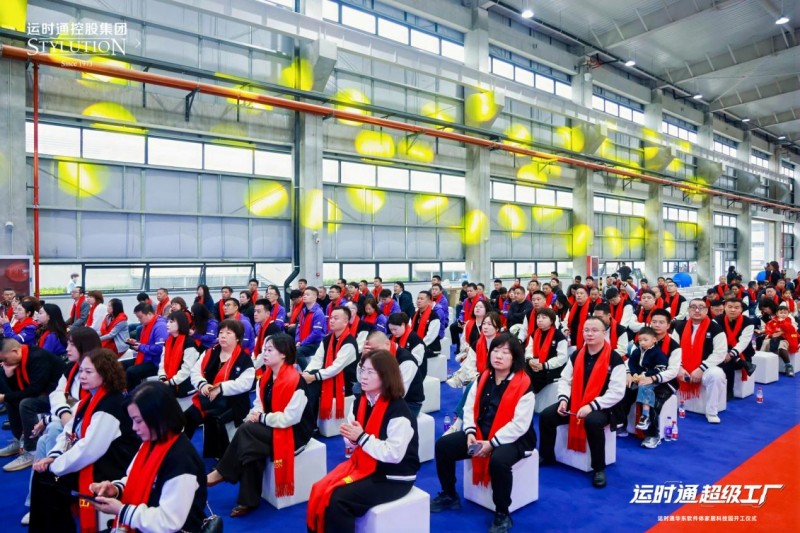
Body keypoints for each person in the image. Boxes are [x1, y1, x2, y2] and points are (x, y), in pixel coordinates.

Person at [431, 333, 534, 533]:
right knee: (443, 446)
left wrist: (492, 443)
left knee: (499, 461)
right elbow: (469, 407)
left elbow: (519, 425)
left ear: (515, 357)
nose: (499, 356)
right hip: (480, 432)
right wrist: (470, 432)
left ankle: (502, 513)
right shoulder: (484, 377)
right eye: (495, 350)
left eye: (505, 352)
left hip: (514, 438)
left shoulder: (524, 384)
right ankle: (449, 494)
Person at [307, 350, 419, 533]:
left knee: (338, 499)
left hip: (393, 476)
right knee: (320, 488)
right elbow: (353, 439)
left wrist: (361, 438)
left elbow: (394, 454)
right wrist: (352, 440)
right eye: (362, 370)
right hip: (366, 464)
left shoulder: (399, 411)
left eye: (370, 372)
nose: (363, 376)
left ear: (385, 376)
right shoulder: (360, 402)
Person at [29, 349, 139, 533]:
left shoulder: (110, 405)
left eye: (88, 372)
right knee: (44, 478)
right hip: (96, 459)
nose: (82, 376)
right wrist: (54, 456)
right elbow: (69, 431)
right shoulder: (89, 399)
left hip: (111, 466)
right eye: (81, 371)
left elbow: (88, 450)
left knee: (48, 480)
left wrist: (54, 466)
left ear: (105, 373)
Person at [207, 333, 315, 517]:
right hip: (272, 426)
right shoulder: (265, 378)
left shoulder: (296, 381)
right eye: (264, 349)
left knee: (247, 431)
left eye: (270, 350)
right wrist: (254, 415)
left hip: (294, 433)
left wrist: (261, 418)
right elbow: (258, 404)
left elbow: (290, 418)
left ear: (283, 354)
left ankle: (222, 472)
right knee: (251, 447)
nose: (264, 353)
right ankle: (248, 501)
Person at [90, 381, 208, 532]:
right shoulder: (152, 443)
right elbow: (135, 478)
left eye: (138, 421)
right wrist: (116, 489)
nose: (134, 427)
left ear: (159, 417)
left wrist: (122, 510)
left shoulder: (181, 460)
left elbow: (169, 522)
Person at [19, 327, 101, 523]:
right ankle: (39, 501)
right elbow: (57, 395)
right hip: (71, 422)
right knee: (46, 437)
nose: (67, 348)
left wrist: (53, 418)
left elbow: (85, 408)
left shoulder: (99, 371)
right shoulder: (72, 368)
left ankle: (49, 496)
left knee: (52, 431)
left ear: (84, 346)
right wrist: (62, 413)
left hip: (90, 430)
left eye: (72, 344)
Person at [539, 316, 626, 488]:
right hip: (577, 400)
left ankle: (599, 468)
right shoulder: (577, 354)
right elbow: (565, 379)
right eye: (586, 330)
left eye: (594, 330)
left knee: (593, 421)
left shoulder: (614, 359)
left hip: (604, 406)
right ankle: (547, 455)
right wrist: (563, 399)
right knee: (547, 415)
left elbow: (617, 392)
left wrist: (592, 406)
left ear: (604, 333)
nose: (589, 334)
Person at [184, 319, 255, 458]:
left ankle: (222, 457)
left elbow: (245, 384)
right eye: (221, 332)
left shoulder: (244, 359)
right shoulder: (210, 352)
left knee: (214, 418)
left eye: (228, 333)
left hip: (232, 402)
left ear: (238, 338)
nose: (223, 336)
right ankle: (180, 451)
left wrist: (221, 388)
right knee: (188, 417)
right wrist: (203, 384)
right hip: (208, 398)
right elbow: (195, 372)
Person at [0, 338, 63, 470]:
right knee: (11, 401)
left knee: (26, 404)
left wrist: (5, 396)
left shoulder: (38, 357)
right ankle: (19, 440)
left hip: (59, 396)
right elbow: (17, 390)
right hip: (43, 393)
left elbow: (34, 390)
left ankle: (32, 450)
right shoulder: (19, 359)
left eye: (5, 359)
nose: (4, 362)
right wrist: (9, 375)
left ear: (15, 351)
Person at [673, 299, 727, 423]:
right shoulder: (680, 327)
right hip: (682, 368)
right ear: (688, 310)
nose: (697, 310)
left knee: (717, 375)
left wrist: (701, 369)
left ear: (707, 310)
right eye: (693, 307)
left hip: (705, 369)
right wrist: (679, 367)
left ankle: (711, 412)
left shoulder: (715, 328)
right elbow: (673, 350)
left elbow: (720, 353)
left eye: (701, 307)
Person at [302, 307, 358, 424]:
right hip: (327, 376)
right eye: (331, 318)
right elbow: (317, 360)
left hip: (343, 382)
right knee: (305, 382)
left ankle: (308, 425)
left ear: (346, 321)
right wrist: (306, 373)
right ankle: (307, 423)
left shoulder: (350, 343)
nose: (331, 321)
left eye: (336, 318)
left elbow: (335, 368)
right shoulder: (327, 339)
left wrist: (313, 377)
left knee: (312, 386)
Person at [363, 331, 425, 416]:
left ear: (387, 344)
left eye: (375, 349)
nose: (373, 353)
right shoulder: (377, 357)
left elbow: (399, 393)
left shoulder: (407, 361)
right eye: (370, 350)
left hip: (408, 402)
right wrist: (364, 358)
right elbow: (360, 378)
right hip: (383, 391)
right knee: (358, 388)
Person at [715, 298, 758, 401]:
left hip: (743, 353)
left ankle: (729, 391)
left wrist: (731, 354)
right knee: (723, 360)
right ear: (725, 308)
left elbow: (744, 342)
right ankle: (743, 364)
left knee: (727, 362)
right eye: (730, 307)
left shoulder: (748, 322)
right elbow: (716, 339)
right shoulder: (717, 320)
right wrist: (725, 352)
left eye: (736, 307)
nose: (733, 310)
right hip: (722, 351)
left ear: (741, 309)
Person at [625, 328, 669, 431]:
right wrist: (634, 373)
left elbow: (662, 368)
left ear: (654, 340)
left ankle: (645, 416)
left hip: (653, 379)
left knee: (644, 387)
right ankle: (621, 420)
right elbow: (631, 363)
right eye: (640, 340)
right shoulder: (637, 351)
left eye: (645, 340)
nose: (642, 343)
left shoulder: (658, 353)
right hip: (638, 378)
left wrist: (646, 375)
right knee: (625, 387)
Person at [125, 303, 168, 390]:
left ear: (149, 314)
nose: (139, 320)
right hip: (147, 357)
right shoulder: (147, 326)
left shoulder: (160, 326)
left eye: (140, 317)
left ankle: (134, 394)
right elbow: (147, 344)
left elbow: (160, 349)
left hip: (156, 362)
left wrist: (140, 347)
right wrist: (136, 343)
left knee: (131, 371)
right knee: (121, 365)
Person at [525, 308, 568, 394]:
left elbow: (562, 358)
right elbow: (529, 349)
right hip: (535, 367)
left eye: (544, 318)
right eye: (538, 317)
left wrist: (544, 365)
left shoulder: (559, 336)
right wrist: (529, 360)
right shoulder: (534, 334)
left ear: (551, 321)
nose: (540, 320)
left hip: (550, 370)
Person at [159, 311, 202, 397]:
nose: (167, 324)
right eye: (167, 321)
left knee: (158, 395)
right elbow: (162, 362)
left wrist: (170, 382)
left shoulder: (189, 343)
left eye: (171, 322)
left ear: (180, 323)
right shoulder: (168, 341)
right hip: (170, 380)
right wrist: (162, 377)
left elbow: (187, 369)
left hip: (185, 384)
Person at [762, 304, 798, 376]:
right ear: (777, 313)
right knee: (765, 342)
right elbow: (768, 330)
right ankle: (763, 364)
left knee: (781, 346)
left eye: (785, 313)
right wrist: (771, 334)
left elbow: (791, 330)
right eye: (781, 313)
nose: (783, 314)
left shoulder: (790, 321)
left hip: (786, 339)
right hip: (773, 338)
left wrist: (782, 326)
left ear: (788, 314)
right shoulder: (772, 321)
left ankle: (788, 365)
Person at [295, 287, 326, 368]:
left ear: (315, 297)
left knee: (298, 352)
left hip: (315, 343)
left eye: (307, 295)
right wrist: (297, 341)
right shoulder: (303, 311)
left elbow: (316, 333)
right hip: (304, 342)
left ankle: (306, 372)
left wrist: (302, 343)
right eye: (304, 294)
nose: (304, 296)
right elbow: (298, 328)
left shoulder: (318, 313)